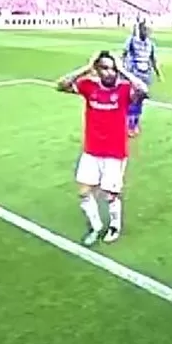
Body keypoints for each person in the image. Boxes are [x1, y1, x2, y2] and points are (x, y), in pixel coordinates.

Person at [56, 51, 148, 245]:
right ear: (98, 69)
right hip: (92, 150)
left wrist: (123, 70)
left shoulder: (124, 89)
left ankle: (115, 226)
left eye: (112, 68)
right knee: (83, 192)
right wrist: (86, 69)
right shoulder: (89, 86)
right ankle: (96, 227)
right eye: (104, 68)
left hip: (114, 153)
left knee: (110, 195)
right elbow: (61, 85)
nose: (109, 72)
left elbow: (143, 90)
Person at [122, 21, 162, 137]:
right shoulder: (132, 40)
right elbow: (124, 54)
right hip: (134, 73)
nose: (149, 33)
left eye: (150, 31)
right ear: (141, 30)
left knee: (141, 99)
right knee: (133, 99)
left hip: (145, 74)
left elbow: (153, 60)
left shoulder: (151, 44)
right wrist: (123, 70)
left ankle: (135, 123)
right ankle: (130, 126)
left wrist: (159, 74)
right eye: (146, 30)